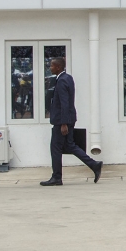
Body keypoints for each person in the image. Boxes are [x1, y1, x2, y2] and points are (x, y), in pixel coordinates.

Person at [40, 57, 103, 186]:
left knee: (55, 148)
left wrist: (63, 123)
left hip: (62, 121)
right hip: (69, 118)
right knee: (70, 145)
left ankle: (56, 177)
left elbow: (64, 102)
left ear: (58, 67)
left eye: (52, 66)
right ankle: (94, 165)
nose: (50, 68)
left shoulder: (62, 81)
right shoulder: (67, 78)